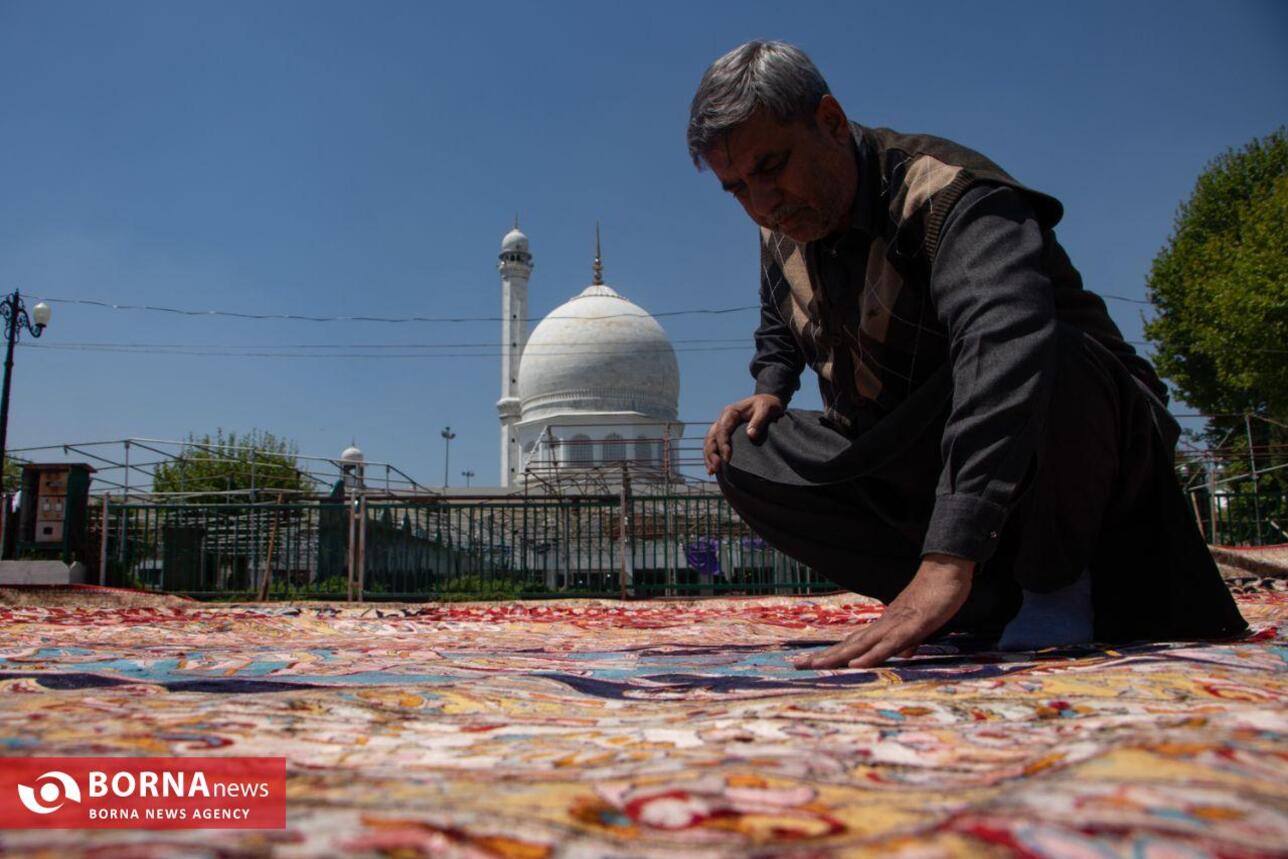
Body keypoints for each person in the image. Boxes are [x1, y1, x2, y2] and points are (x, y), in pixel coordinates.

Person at [688, 41, 1246, 670]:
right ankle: (979, 600)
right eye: (737, 188)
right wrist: (772, 385)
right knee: (746, 450)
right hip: (917, 451)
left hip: (1067, 448)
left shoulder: (952, 197)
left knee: (1046, 351)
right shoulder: (784, 225)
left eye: (773, 167)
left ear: (831, 121)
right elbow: (780, 319)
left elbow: (999, 347)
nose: (762, 202)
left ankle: (1051, 581)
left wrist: (949, 552)